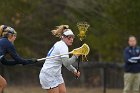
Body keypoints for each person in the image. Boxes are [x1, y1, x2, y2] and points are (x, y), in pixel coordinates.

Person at [39, 25, 80, 93]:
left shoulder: (60, 44)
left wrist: (74, 70)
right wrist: (75, 56)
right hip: (48, 75)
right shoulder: (62, 46)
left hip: (56, 74)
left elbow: (65, 63)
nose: (71, 39)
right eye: (69, 37)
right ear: (63, 37)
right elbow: (66, 63)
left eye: (72, 37)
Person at [0, 25, 37, 93]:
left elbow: (5, 62)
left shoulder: (2, 43)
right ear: (9, 35)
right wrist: (29, 61)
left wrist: (19, 62)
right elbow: (18, 59)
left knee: (2, 84)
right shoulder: (8, 44)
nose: (15, 37)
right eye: (14, 35)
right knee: (2, 84)